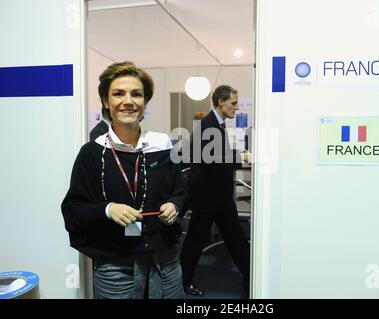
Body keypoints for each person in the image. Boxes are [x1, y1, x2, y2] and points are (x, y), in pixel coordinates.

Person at [61, 61, 185, 299]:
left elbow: (180, 192)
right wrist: (108, 210)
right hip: (116, 267)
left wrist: (175, 206)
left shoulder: (162, 144)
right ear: (107, 102)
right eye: (118, 93)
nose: (128, 101)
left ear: (145, 102)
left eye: (136, 94)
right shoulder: (92, 153)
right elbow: (73, 210)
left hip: (166, 263)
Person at [180, 85, 250, 297]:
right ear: (221, 101)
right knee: (195, 240)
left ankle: (251, 276)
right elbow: (213, 161)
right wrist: (242, 158)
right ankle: (184, 282)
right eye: (234, 103)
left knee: (235, 237)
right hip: (206, 196)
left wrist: (236, 155)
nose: (236, 108)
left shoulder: (217, 124)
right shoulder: (207, 125)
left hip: (219, 196)